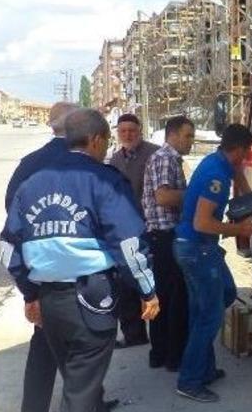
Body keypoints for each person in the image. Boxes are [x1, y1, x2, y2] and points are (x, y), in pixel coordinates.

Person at [1, 108, 160, 412]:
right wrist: (147, 290)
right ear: (96, 140)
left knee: (77, 385)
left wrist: (30, 294)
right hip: (92, 297)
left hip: (49, 301)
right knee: (80, 392)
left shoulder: (32, 182)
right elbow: (129, 244)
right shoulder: (103, 179)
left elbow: (9, 249)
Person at [173, 123, 252, 403]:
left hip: (199, 248)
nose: (246, 159)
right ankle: (189, 380)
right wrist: (241, 230)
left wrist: (247, 195)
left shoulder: (220, 162)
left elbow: (239, 178)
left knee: (223, 296)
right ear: (238, 149)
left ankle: (204, 368)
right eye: (246, 153)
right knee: (209, 317)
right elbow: (202, 221)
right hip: (197, 249)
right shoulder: (216, 175)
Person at [2, 101, 79, 412]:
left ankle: (34, 407)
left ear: (51, 125)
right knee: (84, 345)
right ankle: (88, 402)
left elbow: (12, 210)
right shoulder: (84, 161)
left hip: (42, 267)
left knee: (46, 339)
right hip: (80, 268)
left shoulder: (30, 162)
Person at [142, 115, 195, 371]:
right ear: (172, 135)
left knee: (163, 296)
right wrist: (194, 195)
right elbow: (163, 197)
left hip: (162, 237)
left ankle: (160, 353)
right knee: (175, 298)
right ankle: (173, 357)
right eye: (188, 136)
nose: (191, 141)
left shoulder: (168, 159)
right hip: (165, 237)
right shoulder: (165, 158)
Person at [108, 113, 160, 348]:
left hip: (151, 227)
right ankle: (134, 334)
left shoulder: (154, 154)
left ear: (140, 131)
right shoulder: (115, 160)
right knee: (125, 283)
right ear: (118, 133)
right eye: (123, 131)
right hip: (124, 231)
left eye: (132, 130)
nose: (128, 134)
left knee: (153, 280)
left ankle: (160, 333)